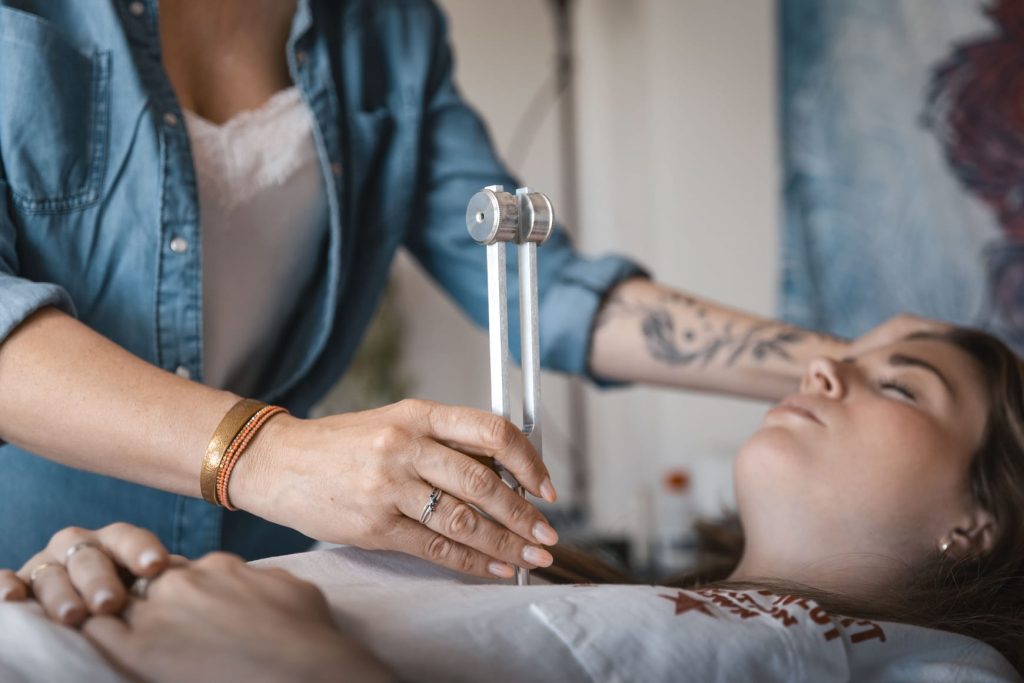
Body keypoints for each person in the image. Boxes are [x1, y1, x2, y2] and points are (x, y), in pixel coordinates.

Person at [0, 0, 930, 576]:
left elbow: (546, 287)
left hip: (253, 575)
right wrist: (273, 455)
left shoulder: (390, 32)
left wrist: (842, 364)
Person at [1, 327, 1021, 682]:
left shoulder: (939, 664)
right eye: (839, 355)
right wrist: (92, 578)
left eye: (901, 383)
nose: (822, 370)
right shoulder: (571, 583)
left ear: (979, 519)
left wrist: (292, 664)